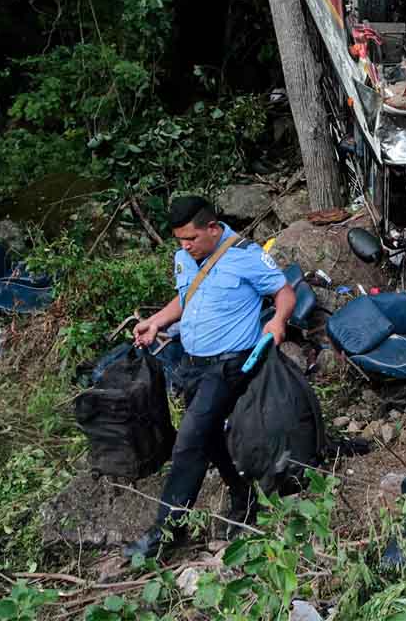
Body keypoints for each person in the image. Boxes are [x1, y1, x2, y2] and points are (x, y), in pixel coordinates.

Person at [123, 196, 296, 559]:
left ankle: (166, 533)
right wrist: (156, 321)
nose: (185, 247)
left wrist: (277, 320)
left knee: (188, 441)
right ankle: (243, 495)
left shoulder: (246, 255)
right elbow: (187, 298)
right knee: (209, 436)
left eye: (191, 238)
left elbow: (283, 291)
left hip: (230, 365)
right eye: (180, 240)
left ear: (213, 228)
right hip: (194, 363)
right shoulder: (184, 259)